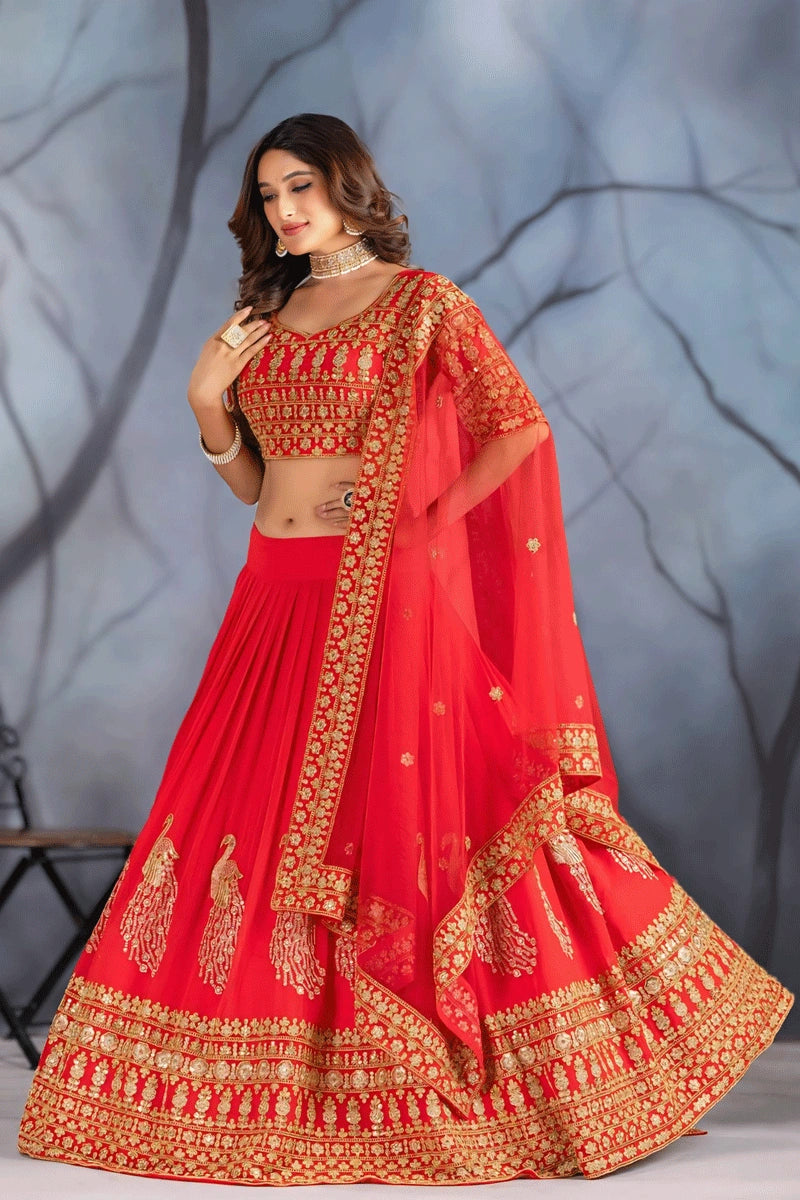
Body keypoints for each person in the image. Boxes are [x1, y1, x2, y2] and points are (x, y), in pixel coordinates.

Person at [18, 113, 792, 1185]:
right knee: (245, 815)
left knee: (421, 818)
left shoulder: (423, 303)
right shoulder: (264, 315)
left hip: (374, 599)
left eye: (300, 187)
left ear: (347, 186)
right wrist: (206, 405)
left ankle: (601, 1040)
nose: (284, 211)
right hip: (271, 595)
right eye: (268, 196)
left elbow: (517, 427)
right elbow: (256, 485)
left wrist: (422, 524)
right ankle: (274, 1080)